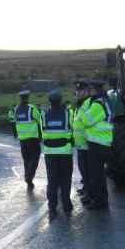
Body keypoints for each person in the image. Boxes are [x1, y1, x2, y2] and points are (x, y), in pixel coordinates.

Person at [79, 78, 114, 210]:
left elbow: (86, 121)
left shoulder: (98, 104)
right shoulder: (104, 101)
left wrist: (83, 114)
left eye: (91, 89)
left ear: (95, 90)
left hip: (98, 143)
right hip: (102, 143)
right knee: (99, 175)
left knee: (97, 175)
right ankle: (100, 200)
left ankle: (100, 202)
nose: (89, 91)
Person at [40, 89, 74, 219]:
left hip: (49, 152)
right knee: (66, 179)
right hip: (65, 151)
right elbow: (73, 128)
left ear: (50, 101)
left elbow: (43, 132)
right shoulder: (68, 113)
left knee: (52, 179)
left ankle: (52, 207)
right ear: (60, 100)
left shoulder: (43, 115)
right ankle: (66, 205)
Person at [14, 89, 41, 190]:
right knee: (34, 159)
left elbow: (16, 122)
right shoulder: (31, 108)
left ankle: (27, 177)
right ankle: (29, 176)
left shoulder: (16, 109)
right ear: (27, 98)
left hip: (22, 139)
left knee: (26, 160)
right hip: (33, 138)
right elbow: (40, 120)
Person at [73, 79, 92, 204]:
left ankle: (90, 193)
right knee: (83, 169)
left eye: (82, 91)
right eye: (77, 91)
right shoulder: (79, 105)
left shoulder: (89, 104)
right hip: (80, 145)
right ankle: (86, 188)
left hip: (88, 143)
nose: (79, 93)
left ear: (87, 91)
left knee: (89, 170)